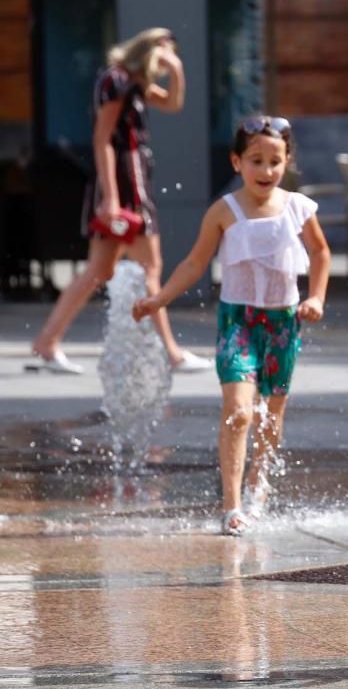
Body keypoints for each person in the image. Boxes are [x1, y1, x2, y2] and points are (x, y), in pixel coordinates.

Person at [133, 116, 330, 536]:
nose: (267, 171)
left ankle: (259, 491)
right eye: (256, 161)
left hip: (284, 321)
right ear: (237, 162)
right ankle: (232, 505)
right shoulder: (224, 211)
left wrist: (316, 297)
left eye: (275, 161)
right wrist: (160, 299)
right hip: (237, 321)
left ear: (287, 161)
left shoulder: (298, 207)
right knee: (239, 411)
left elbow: (321, 252)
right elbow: (194, 262)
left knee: (271, 417)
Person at [29, 27, 212, 375]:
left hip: (130, 182)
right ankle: (172, 354)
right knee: (150, 269)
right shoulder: (117, 80)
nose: (163, 66)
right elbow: (102, 140)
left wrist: (177, 70)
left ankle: (47, 343)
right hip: (125, 187)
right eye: (162, 58)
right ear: (149, 52)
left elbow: (173, 103)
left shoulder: (133, 82)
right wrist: (111, 198)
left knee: (98, 271)